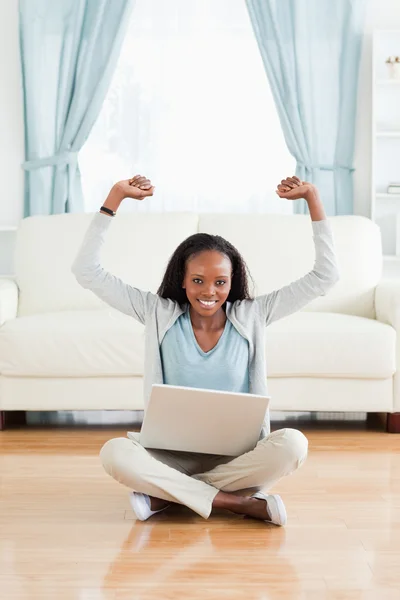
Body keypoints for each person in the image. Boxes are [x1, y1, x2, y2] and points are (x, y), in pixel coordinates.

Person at [71, 174, 340, 526]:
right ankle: (237, 503)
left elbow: (326, 275)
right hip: (170, 456)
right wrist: (114, 198)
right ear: (182, 280)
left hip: (236, 458)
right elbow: (86, 271)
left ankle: (167, 495)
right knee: (114, 453)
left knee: (294, 445)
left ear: (232, 281)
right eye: (198, 280)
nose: (209, 292)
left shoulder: (253, 315)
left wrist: (314, 200)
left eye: (220, 282)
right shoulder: (157, 312)